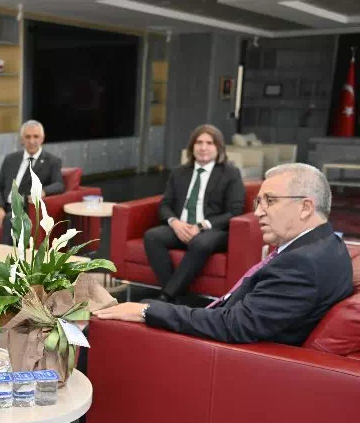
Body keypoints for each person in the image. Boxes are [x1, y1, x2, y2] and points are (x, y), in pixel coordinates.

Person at [94, 163, 354, 346]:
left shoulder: (302, 264)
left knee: (104, 332)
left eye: (270, 201)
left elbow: (234, 326)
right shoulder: (330, 244)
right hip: (226, 332)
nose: (259, 212)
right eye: (259, 202)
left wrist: (148, 311)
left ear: (306, 207)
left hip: (222, 355)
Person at [144, 124, 245, 302]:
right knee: (152, 236)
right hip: (182, 227)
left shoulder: (230, 173)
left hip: (213, 230)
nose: (203, 147)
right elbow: (165, 204)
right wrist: (175, 223)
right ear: (192, 147)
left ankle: (167, 295)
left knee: (200, 242)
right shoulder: (179, 172)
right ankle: (176, 297)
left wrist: (201, 226)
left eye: (209, 143)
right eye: (199, 142)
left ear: (218, 148)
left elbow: (234, 211)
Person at [0, 120, 65, 245]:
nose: (32, 141)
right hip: (5, 206)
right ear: (22, 139)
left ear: (42, 139)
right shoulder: (11, 159)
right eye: (28, 137)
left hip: (26, 209)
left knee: (11, 219)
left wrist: (43, 192)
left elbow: (59, 184)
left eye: (36, 137)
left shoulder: (52, 161)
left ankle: (5, 257)